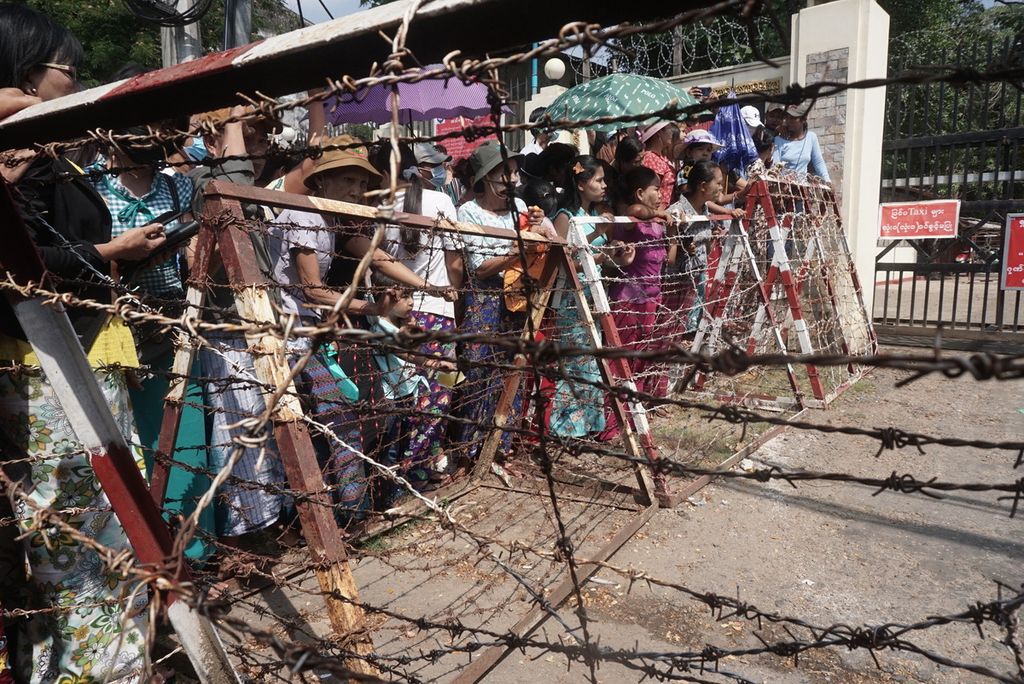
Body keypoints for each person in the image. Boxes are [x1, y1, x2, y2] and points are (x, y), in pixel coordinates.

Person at [0, 4, 157, 679]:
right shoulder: (16, 153)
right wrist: (106, 249)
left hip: (78, 348)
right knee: (75, 534)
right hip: (40, 366)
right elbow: (24, 261)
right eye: (70, 69)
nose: (77, 82)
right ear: (28, 71)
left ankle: (110, 659)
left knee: (106, 526)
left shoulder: (50, 152)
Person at [269, 135, 443, 523]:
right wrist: (374, 307)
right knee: (335, 418)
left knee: (351, 415)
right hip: (294, 335)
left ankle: (344, 509)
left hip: (320, 334)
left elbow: (376, 256)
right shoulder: (306, 215)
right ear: (323, 181)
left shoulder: (337, 218)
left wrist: (430, 288)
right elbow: (312, 291)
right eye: (347, 180)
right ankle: (343, 514)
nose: (356, 189)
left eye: (362, 183)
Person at [371, 141, 463, 486]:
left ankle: (410, 467)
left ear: (382, 173)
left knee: (411, 396)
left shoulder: (379, 208)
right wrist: (453, 288)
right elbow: (454, 259)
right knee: (440, 391)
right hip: (439, 313)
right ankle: (418, 468)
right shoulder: (440, 201)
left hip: (398, 315)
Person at [454, 140, 547, 464]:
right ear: (485, 177)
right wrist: (515, 251)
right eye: (502, 173)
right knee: (479, 371)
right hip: (484, 299)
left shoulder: (520, 209)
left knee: (511, 372)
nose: (511, 180)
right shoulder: (468, 211)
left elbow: (533, 250)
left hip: (518, 296)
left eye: (513, 173)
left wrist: (535, 232)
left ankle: (499, 447)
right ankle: (468, 449)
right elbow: (478, 268)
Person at [547, 156, 633, 439]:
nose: (604, 185)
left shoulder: (595, 214)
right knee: (574, 363)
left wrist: (616, 253)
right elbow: (562, 261)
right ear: (582, 184)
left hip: (594, 295)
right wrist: (598, 236)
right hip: (572, 299)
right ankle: (565, 428)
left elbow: (594, 258)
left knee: (591, 362)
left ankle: (586, 426)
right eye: (598, 180)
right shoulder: (565, 217)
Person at [599, 166, 671, 441]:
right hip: (629, 301)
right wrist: (657, 213)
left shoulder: (658, 223)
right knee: (621, 363)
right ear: (640, 193)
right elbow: (636, 212)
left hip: (652, 301)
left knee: (640, 361)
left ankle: (632, 415)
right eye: (656, 189)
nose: (661, 195)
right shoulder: (630, 220)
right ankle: (611, 422)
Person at [773, 103, 831, 182]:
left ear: (803, 119)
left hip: (802, 188)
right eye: (787, 117)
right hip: (784, 187)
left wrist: (827, 181)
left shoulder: (811, 137)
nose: (789, 121)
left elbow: (818, 162)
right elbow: (774, 167)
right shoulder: (779, 140)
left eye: (793, 118)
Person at [639, 120, 677, 209]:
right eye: (669, 129)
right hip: (658, 213)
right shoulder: (650, 157)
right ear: (659, 132)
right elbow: (651, 190)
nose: (672, 133)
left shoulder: (661, 158)